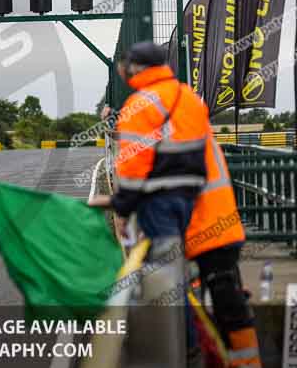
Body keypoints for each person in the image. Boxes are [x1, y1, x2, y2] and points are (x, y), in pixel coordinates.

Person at [88, 41, 210, 365]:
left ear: (139, 69)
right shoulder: (188, 98)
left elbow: (132, 166)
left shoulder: (140, 104)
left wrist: (124, 207)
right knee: (177, 269)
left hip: (158, 201)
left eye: (129, 66)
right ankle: (187, 341)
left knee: (163, 274)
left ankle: (180, 346)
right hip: (192, 198)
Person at [185, 133, 261, 368]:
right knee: (227, 303)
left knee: (227, 306)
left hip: (210, 234)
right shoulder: (193, 125)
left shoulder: (179, 128)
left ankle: (243, 362)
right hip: (218, 230)